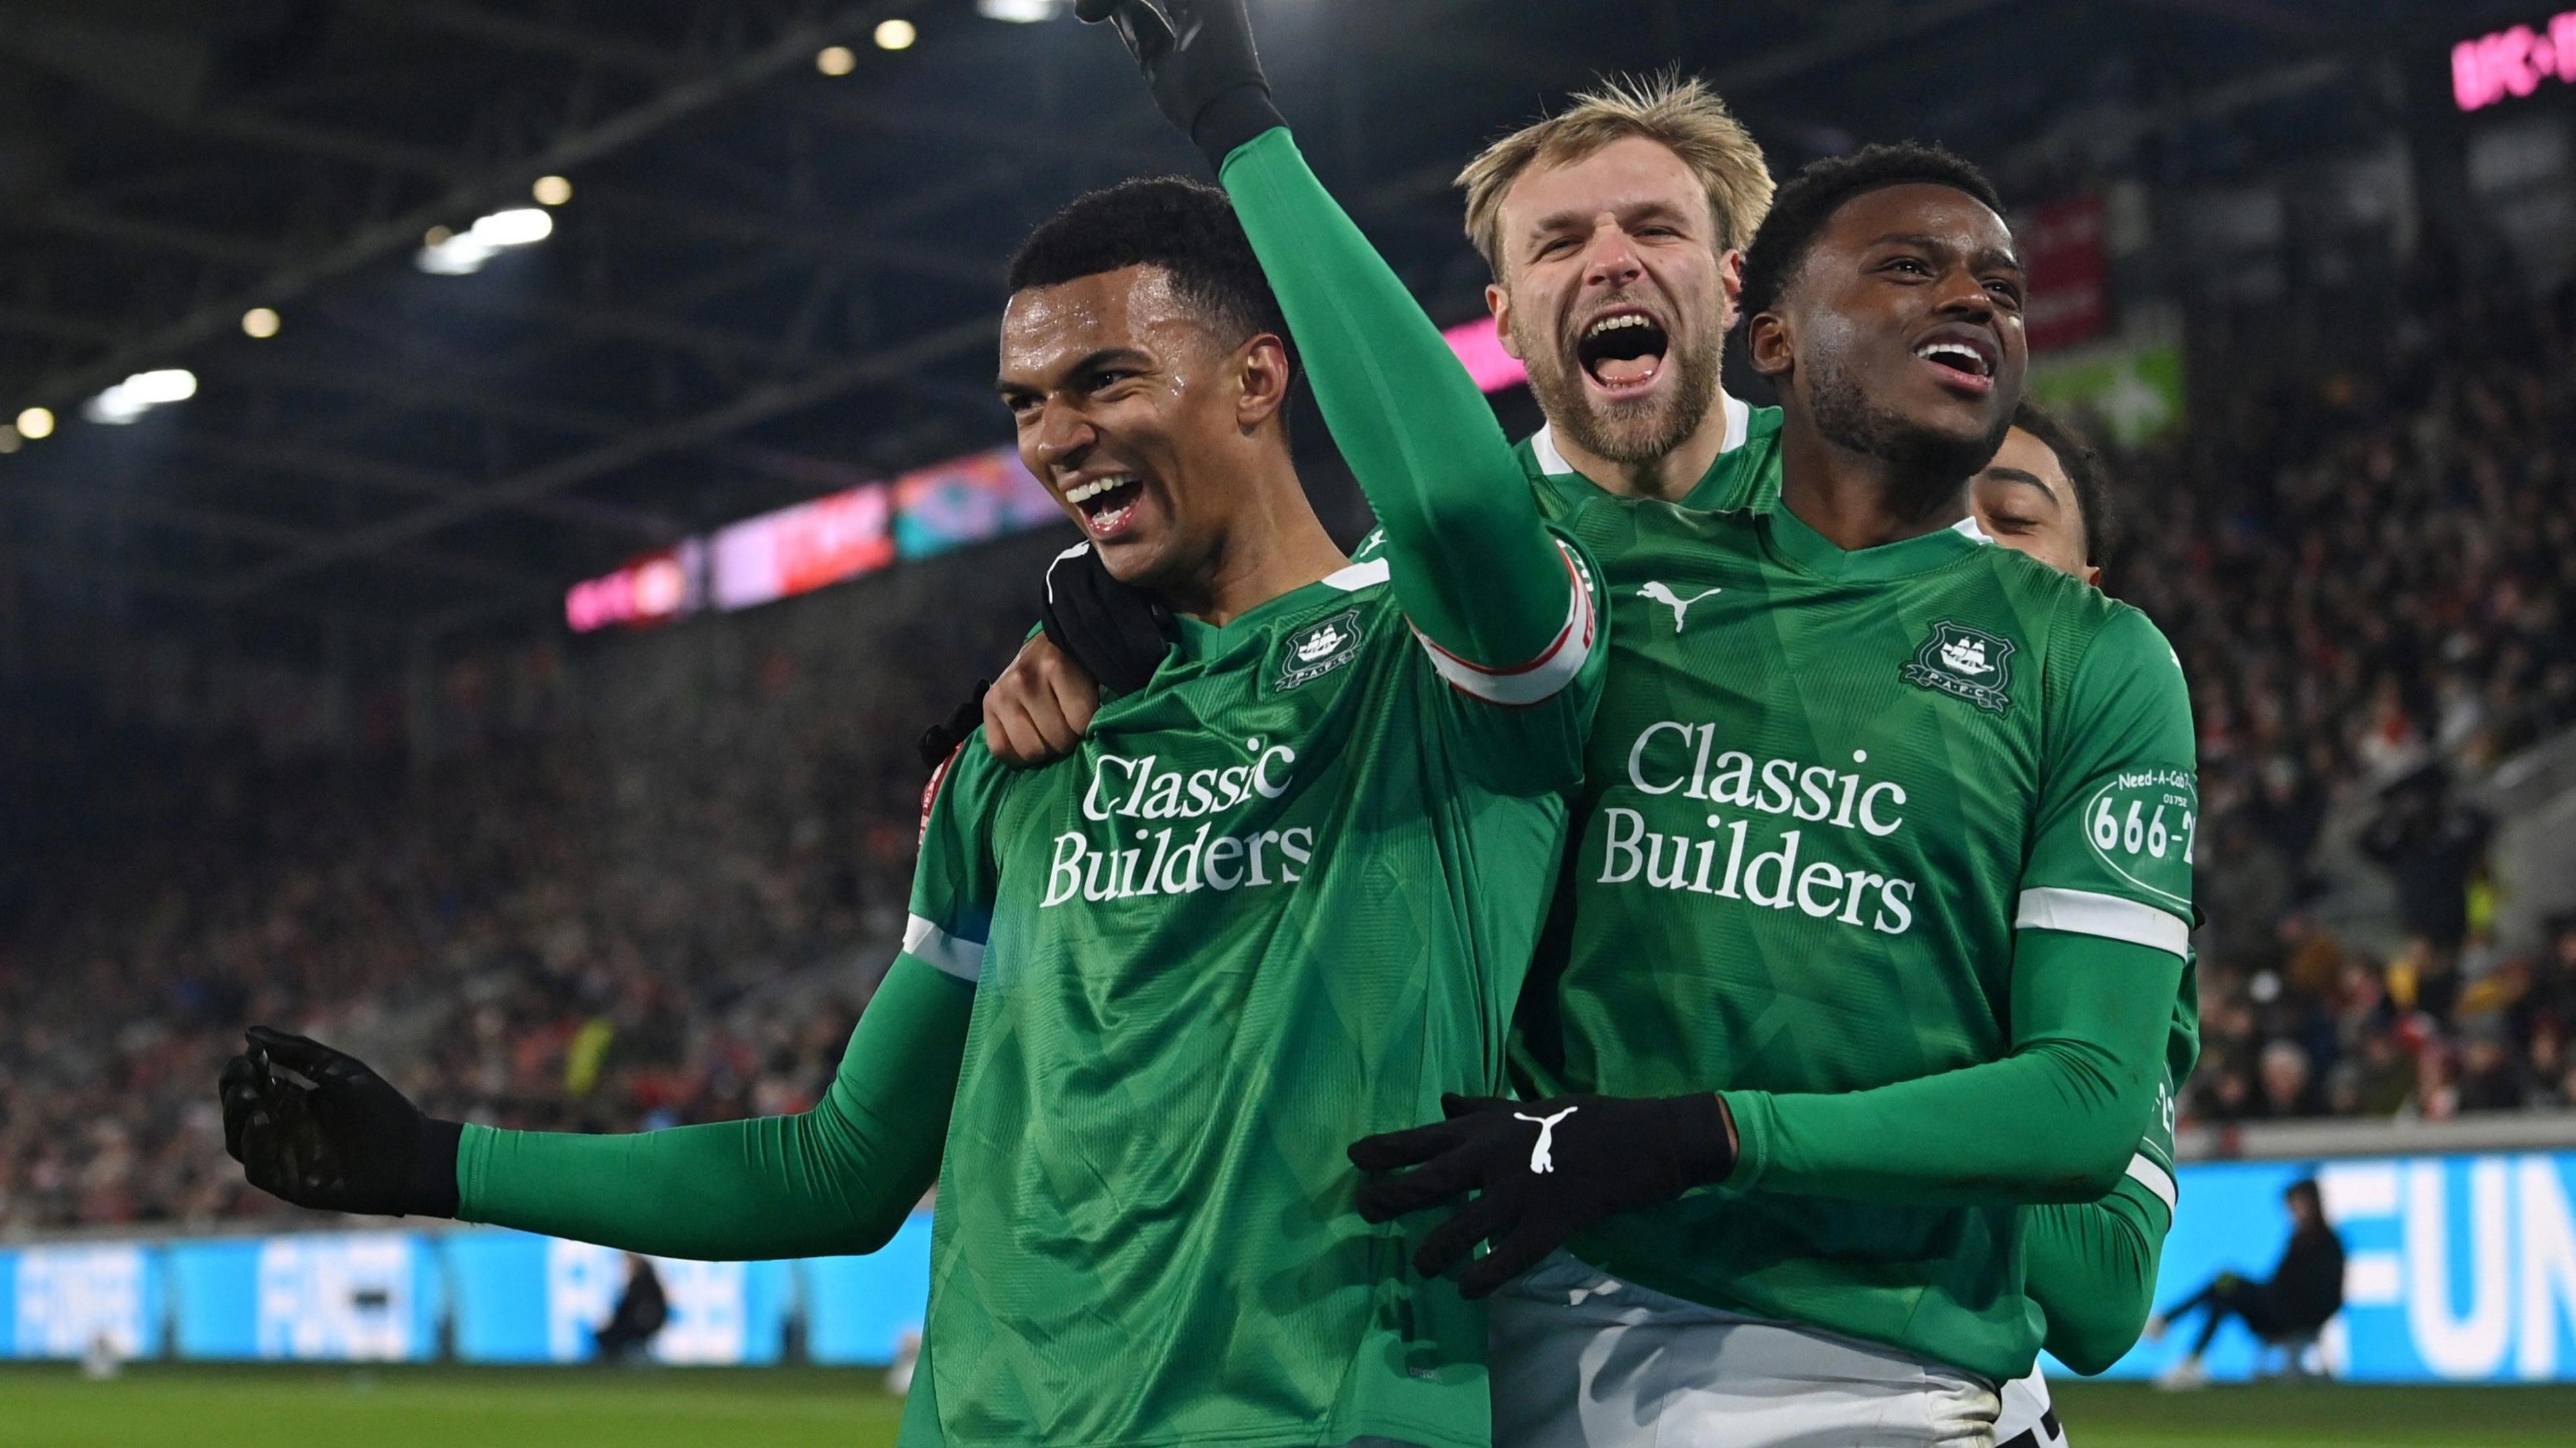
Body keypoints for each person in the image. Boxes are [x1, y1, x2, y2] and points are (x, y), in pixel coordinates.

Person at [219, 167, 1609, 1448]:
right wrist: (437, 1159)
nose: (1057, 438)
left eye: (1105, 378)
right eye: (1023, 401)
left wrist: (1243, 132)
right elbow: (836, 1167)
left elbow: (1457, 503)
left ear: (1258, 377)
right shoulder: (1021, 752)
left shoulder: (1432, 665)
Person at [1053, 11, 2198, 1443]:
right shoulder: (1428, 595)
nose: (1611, 260)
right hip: (1516, 1326)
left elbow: (2090, 1217)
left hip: (1875, 1359)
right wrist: (1097, 642)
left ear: (1735, 290)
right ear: (1504, 316)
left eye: (1656, 225)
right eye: (1558, 243)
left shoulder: (1928, 527)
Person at [2151, 1178, 2346, 1389]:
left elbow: (2323, 1293)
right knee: (2223, 1290)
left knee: (2226, 1283)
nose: (2293, 1211)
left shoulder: (2327, 1244)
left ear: (2312, 1204)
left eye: (2298, 1204)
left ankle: (2169, 1327)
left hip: (2293, 1316)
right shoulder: (2298, 1239)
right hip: (2276, 1307)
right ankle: (2188, 1356)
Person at [592, 1252, 669, 1364]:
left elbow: (627, 1309)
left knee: (608, 1336)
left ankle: (611, 1364)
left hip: (638, 1325)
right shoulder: (646, 1282)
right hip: (640, 1324)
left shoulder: (641, 1283)